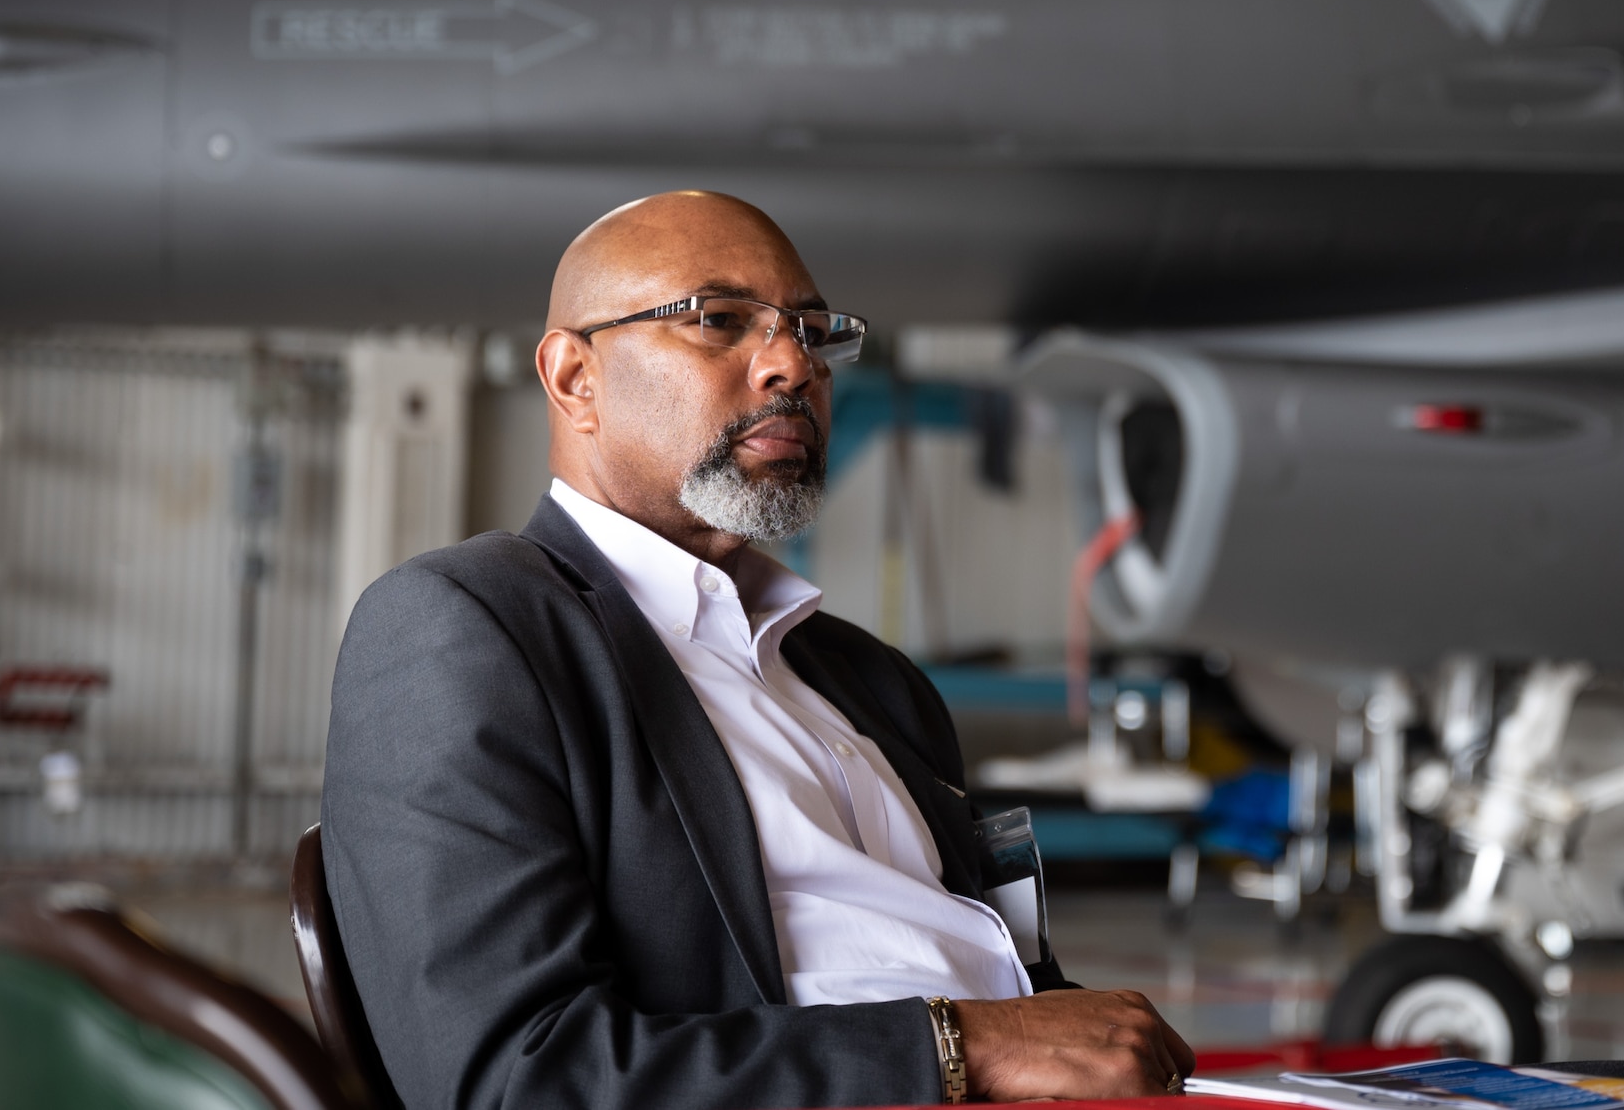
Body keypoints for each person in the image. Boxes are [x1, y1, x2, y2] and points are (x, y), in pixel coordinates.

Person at [322, 190, 1195, 1110]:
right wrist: (960, 1046)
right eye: (720, 320)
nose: (792, 363)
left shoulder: (871, 680)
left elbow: (1017, 991)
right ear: (576, 378)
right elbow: (520, 1081)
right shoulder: (465, 627)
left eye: (812, 331)